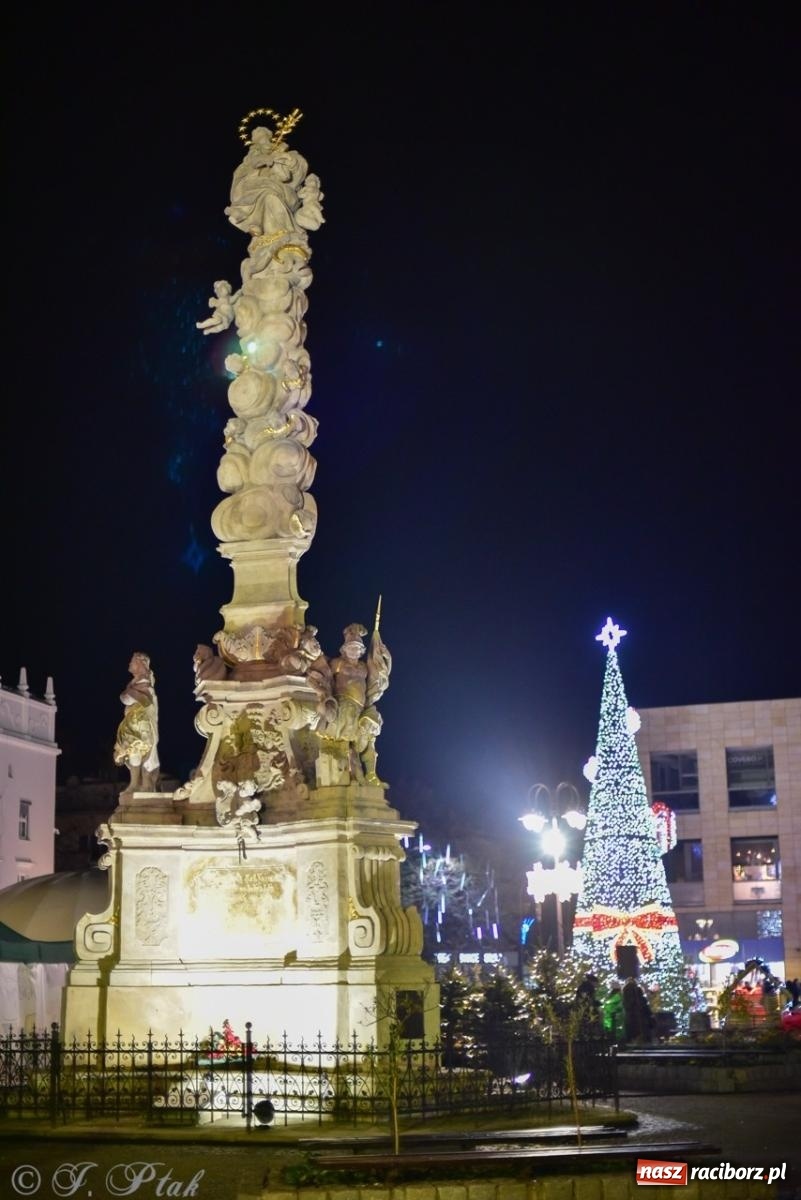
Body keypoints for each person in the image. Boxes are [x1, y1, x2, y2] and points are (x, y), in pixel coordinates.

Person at [113, 652, 160, 795]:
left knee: (140, 750)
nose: (129, 664)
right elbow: (127, 697)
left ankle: (142, 784)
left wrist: (129, 694)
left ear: (140, 663)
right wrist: (129, 694)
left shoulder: (144, 681)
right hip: (133, 721)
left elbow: (139, 700)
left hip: (141, 722)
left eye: (132, 661)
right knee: (134, 750)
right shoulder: (136, 682)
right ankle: (134, 784)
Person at [622, 977, 654, 1043]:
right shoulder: (638, 992)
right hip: (640, 1018)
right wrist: (650, 1014)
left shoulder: (625, 994)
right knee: (641, 1033)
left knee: (631, 1032)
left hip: (629, 1017)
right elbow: (644, 1006)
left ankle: (631, 1040)